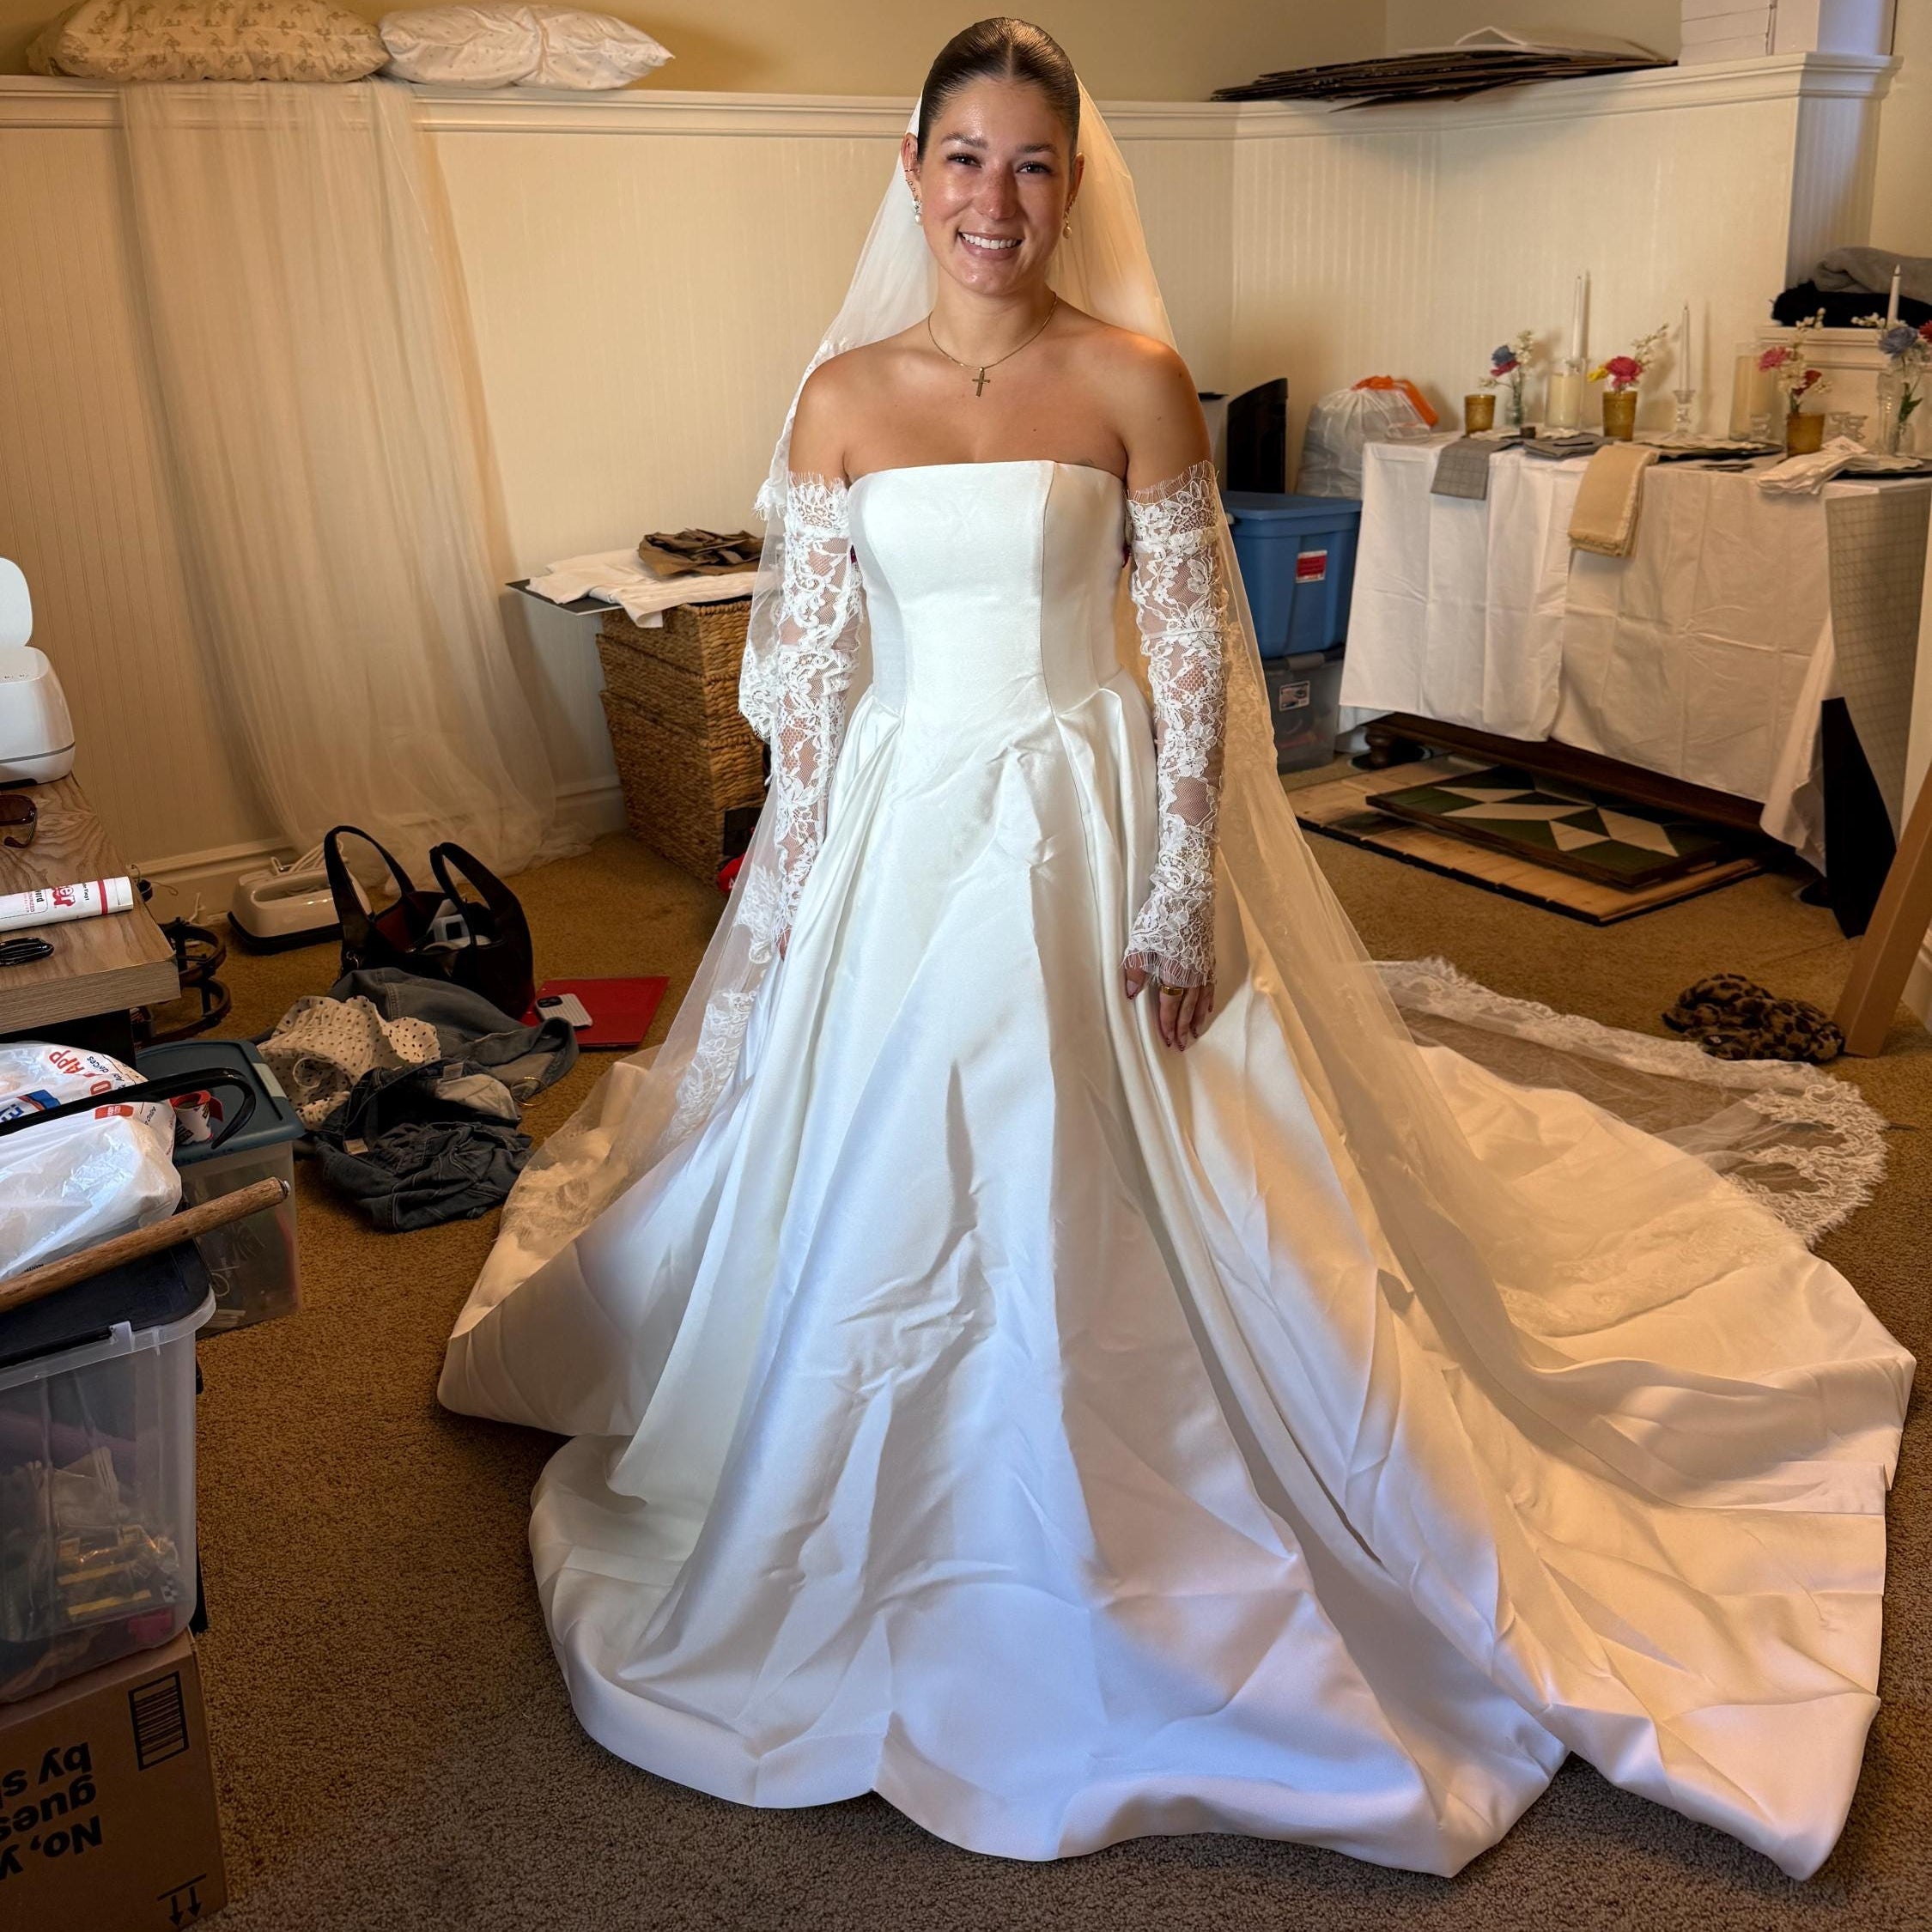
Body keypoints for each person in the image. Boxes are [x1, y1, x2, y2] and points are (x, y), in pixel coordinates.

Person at [440, 19, 1911, 1880]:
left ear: (1075, 181)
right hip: (908, 820)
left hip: (1083, 802)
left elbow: (1200, 654)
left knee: (1168, 1167)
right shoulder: (839, 396)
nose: (997, 200)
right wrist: (789, 907)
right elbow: (802, 689)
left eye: (1033, 165)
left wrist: (1170, 891)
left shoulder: (1133, 377)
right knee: (865, 1163)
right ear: (911, 174)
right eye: (964, 161)